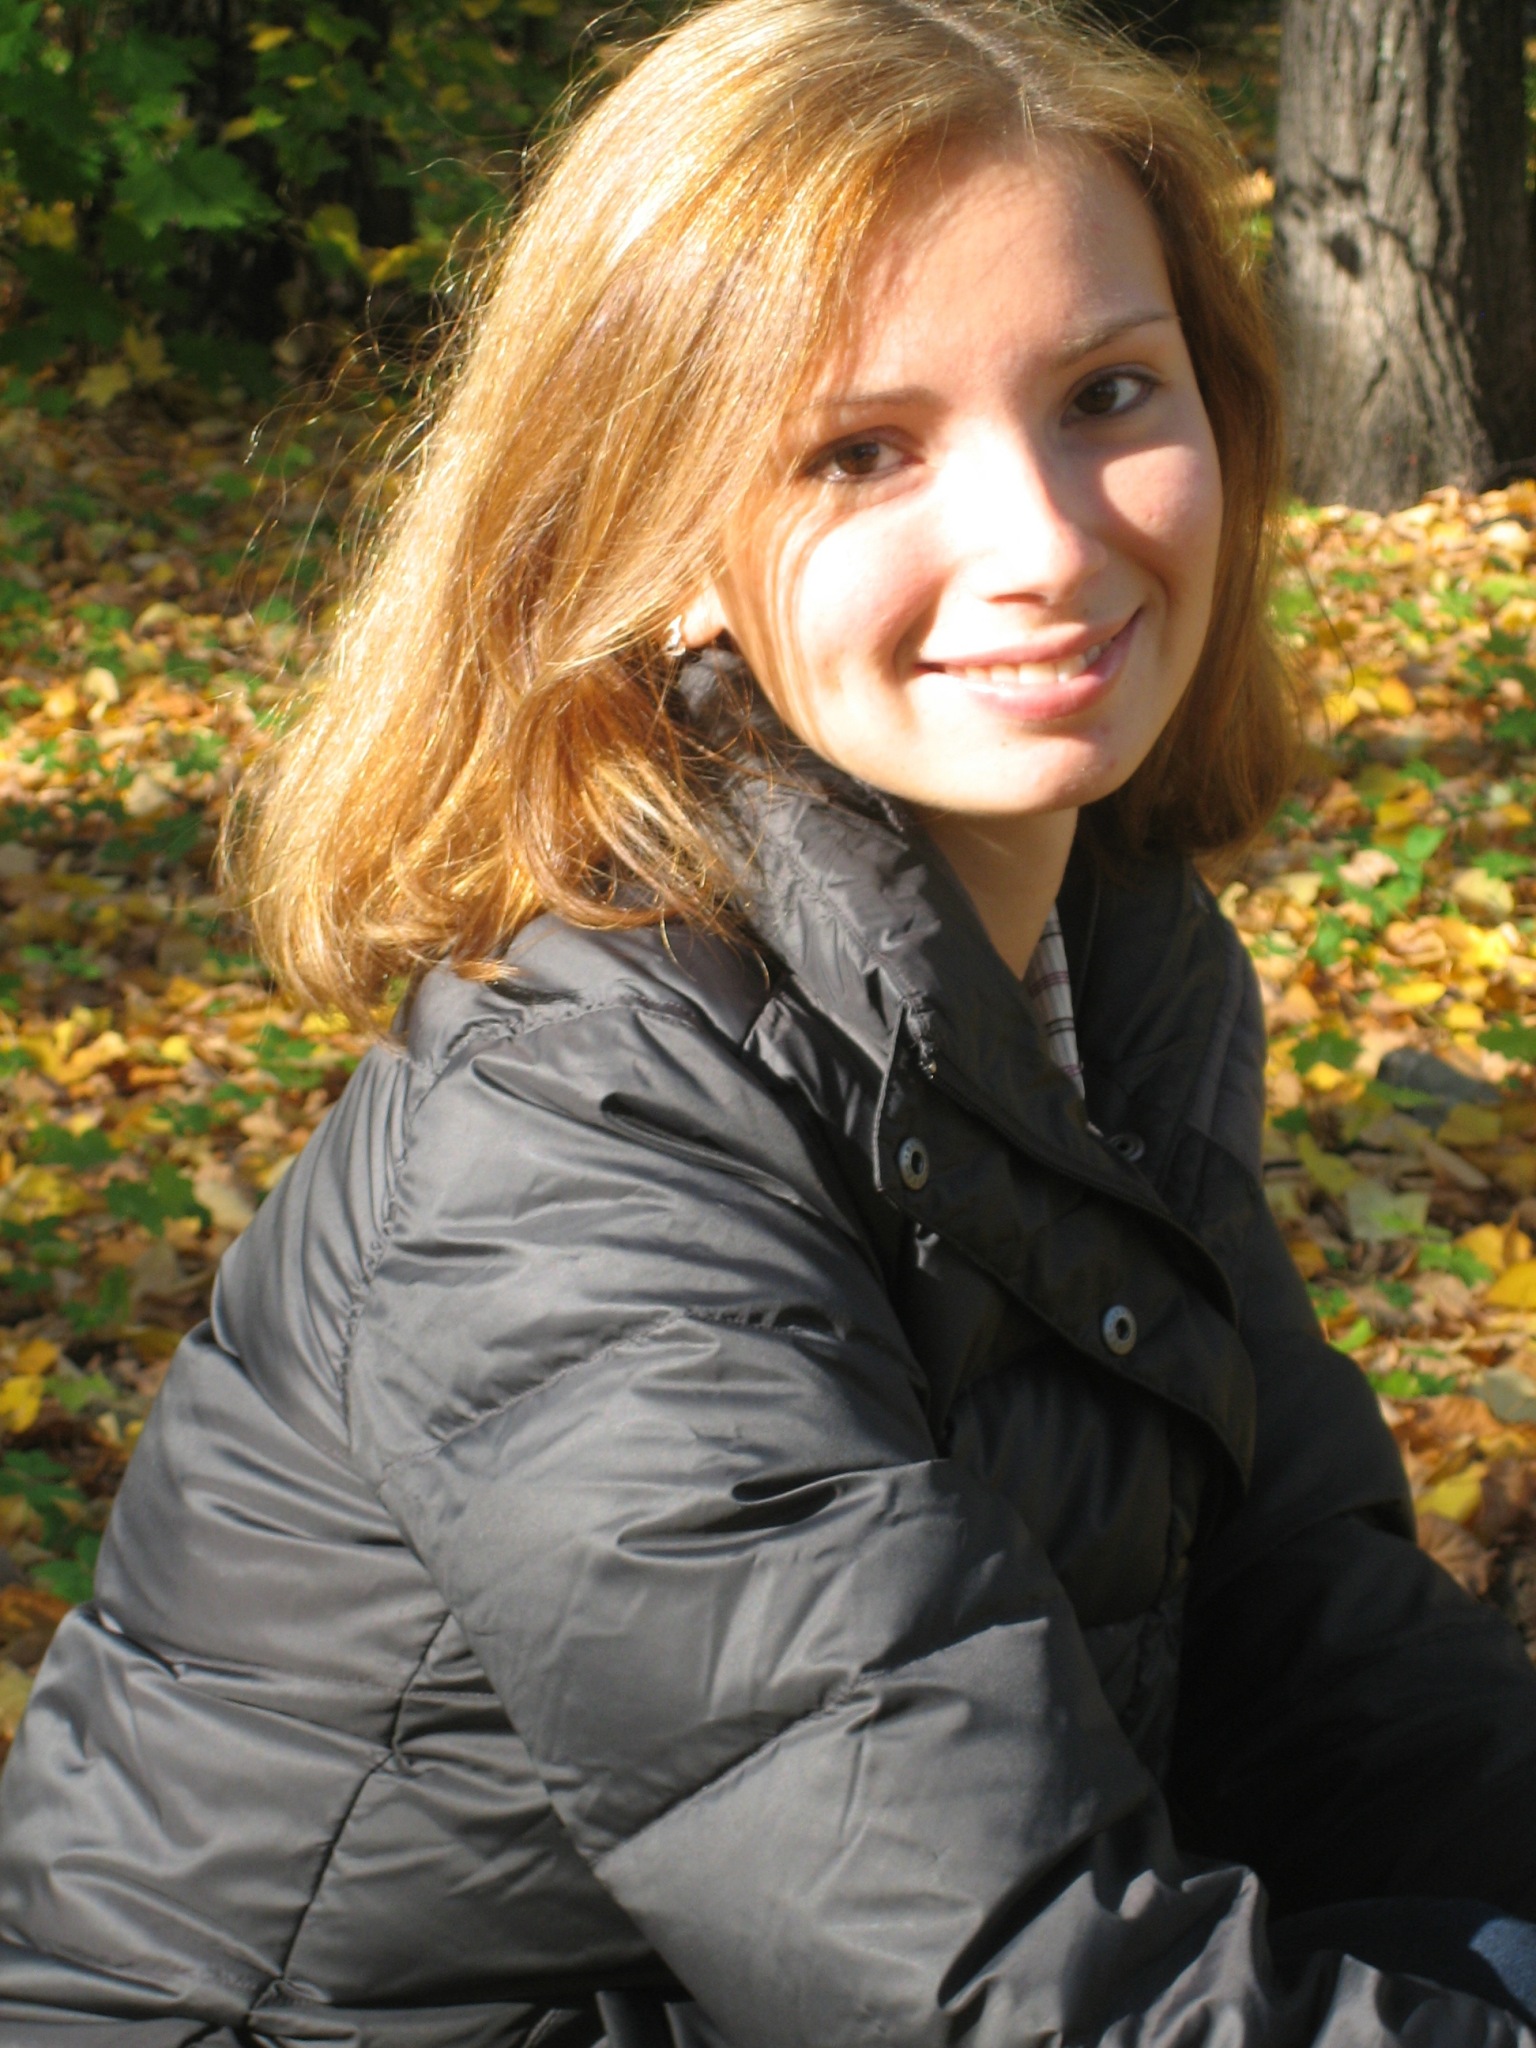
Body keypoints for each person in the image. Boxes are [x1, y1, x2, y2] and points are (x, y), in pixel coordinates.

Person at [4, 0, 1536, 2041]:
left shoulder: (1115, 964)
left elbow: (1316, 1645)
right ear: (662, 546)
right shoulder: (574, 1152)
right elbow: (993, 1987)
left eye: (1106, 392)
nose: (1047, 541)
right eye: (860, 450)